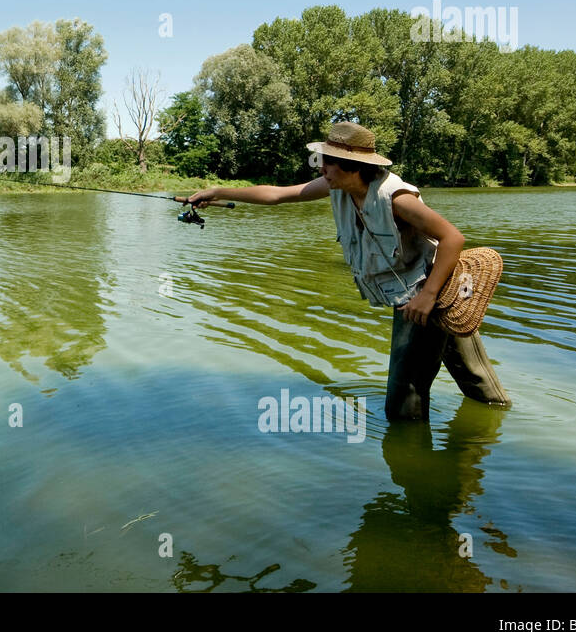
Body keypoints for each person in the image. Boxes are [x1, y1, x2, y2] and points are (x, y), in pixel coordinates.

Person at [184, 121, 510, 421]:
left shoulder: (396, 198)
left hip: (426, 295)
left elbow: (453, 237)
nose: (322, 168)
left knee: (402, 401)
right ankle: (486, 446)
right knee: (479, 383)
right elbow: (278, 195)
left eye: (328, 162)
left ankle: (413, 468)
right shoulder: (336, 186)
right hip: (427, 296)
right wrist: (216, 192)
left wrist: (427, 297)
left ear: (353, 168)